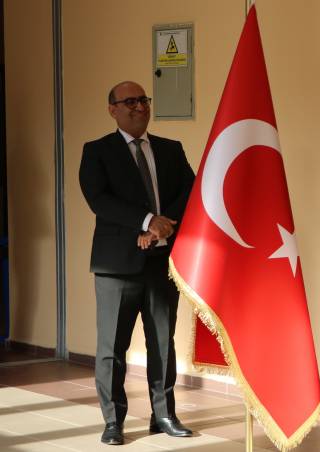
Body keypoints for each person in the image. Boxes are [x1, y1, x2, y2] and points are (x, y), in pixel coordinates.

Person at [79, 81, 195, 445]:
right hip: (117, 267)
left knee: (162, 343)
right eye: (129, 101)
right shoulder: (97, 151)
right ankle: (113, 421)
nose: (139, 106)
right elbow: (99, 200)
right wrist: (145, 222)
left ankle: (164, 415)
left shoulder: (171, 149)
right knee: (112, 348)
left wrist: (161, 227)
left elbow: (190, 191)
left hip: (162, 262)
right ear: (112, 109)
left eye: (143, 99)